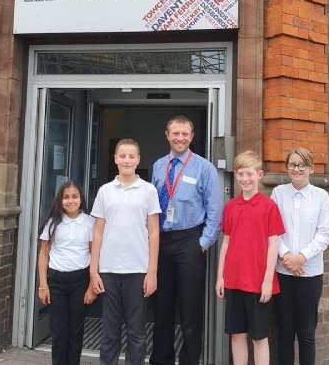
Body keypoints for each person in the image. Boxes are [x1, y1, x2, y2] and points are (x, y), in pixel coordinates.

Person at [150, 115, 223, 365]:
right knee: (162, 308)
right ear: (167, 135)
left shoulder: (204, 168)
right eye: (175, 133)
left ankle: (189, 360)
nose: (179, 138)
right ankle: (162, 360)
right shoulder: (159, 166)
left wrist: (202, 244)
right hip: (162, 241)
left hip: (190, 241)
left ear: (191, 137)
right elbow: (151, 206)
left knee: (190, 310)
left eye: (184, 134)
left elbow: (215, 210)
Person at [90, 138, 161, 365]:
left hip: (138, 269)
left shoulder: (148, 190)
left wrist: (152, 272)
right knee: (109, 331)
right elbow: (97, 232)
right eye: (122, 156)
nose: (127, 160)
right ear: (115, 159)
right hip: (108, 269)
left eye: (131, 156)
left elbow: (154, 233)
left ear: (138, 159)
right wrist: (93, 271)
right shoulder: (105, 191)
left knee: (136, 331)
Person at [215, 150, 285, 365]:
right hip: (233, 280)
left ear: (260, 175)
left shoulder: (269, 206)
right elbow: (226, 243)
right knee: (236, 335)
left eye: (249, 174)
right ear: (235, 175)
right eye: (241, 174)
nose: (245, 179)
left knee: (259, 337)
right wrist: (220, 277)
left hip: (257, 281)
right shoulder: (230, 206)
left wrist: (267, 281)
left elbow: (273, 245)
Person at [271, 148, 329, 365]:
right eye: (292, 164)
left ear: (311, 168)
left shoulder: (321, 196)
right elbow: (273, 229)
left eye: (301, 165)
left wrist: (302, 258)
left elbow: (324, 234)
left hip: (310, 273)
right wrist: (287, 256)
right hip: (283, 271)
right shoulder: (278, 193)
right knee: (285, 331)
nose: (296, 169)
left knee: (306, 332)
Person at [37, 180, 97, 365]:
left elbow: (94, 253)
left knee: (75, 331)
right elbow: (44, 254)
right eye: (66, 197)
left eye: (74, 196)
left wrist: (91, 286)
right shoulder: (53, 222)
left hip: (81, 281)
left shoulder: (89, 222)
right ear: (60, 200)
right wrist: (43, 285)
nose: (71, 201)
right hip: (56, 281)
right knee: (59, 331)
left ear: (81, 199)